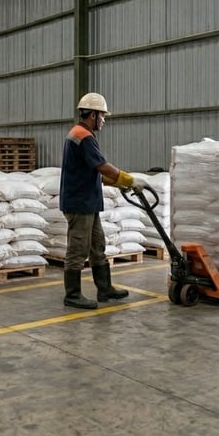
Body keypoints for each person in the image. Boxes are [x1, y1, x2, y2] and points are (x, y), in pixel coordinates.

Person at [59, 92, 147, 309]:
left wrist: (118, 182)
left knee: (98, 246)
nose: (104, 121)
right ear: (93, 115)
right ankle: (72, 295)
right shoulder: (83, 136)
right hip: (80, 204)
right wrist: (128, 179)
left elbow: (95, 172)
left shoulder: (82, 134)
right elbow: (102, 166)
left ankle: (105, 289)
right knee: (78, 249)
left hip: (88, 203)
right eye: (103, 116)